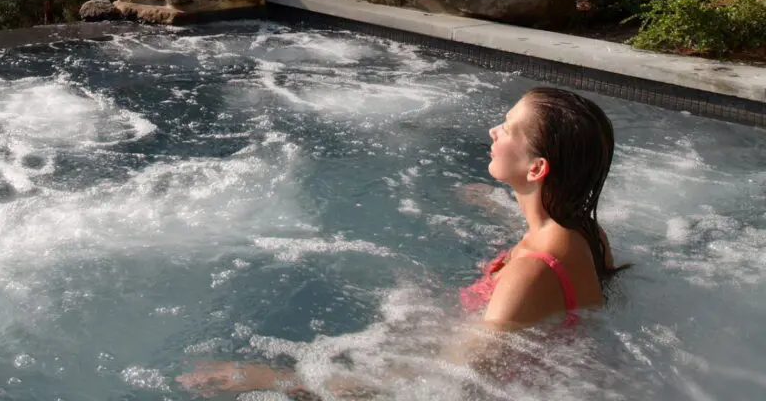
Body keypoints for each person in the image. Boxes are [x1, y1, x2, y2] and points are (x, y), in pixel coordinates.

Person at [177, 86, 629, 398]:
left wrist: (264, 376)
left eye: (509, 128)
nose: (494, 131)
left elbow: (438, 384)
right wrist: (495, 207)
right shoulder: (586, 234)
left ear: (536, 170)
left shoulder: (530, 273)